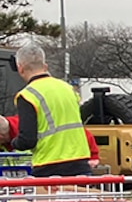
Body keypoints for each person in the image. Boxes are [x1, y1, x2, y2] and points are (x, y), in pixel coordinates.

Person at [9, 42, 92, 177]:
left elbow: (27, 140)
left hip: (49, 167)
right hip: (80, 163)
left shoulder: (27, 96)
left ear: (20, 68)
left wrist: (13, 142)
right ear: (45, 66)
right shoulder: (68, 88)